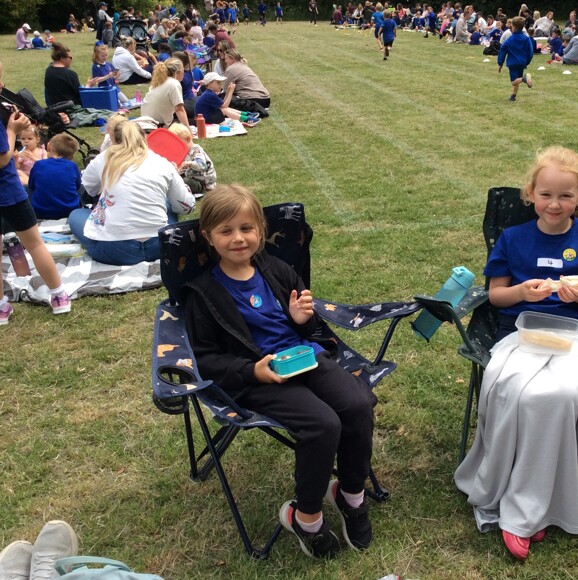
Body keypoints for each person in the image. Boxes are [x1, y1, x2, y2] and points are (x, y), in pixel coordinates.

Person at [453, 146, 578, 561]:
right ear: (531, 194)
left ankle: (542, 499)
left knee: (563, 394)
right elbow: (496, 296)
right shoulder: (513, 238)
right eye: (546, 195)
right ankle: (524, 497)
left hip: (571, 338)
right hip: (519, 336)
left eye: (565, 196)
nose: (555, 204)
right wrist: (522, 291)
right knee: (523, 393)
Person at [184, 184, 376, 559]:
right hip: (256, 377)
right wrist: (252, 371)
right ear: (208, 236)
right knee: (322, 424)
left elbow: (309, 325)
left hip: (304, 357)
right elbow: (203, 358)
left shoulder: (277, 270)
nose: (238, 239)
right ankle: (306, 518)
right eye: (226, 231)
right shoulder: (203, 294)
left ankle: (351, 494)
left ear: (260, 229)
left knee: (357, 405)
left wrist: (302, 320)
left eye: (246, 228)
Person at [0, 62, 71, 323]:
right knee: (35, 243)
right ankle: (58, 294)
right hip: (8, 192)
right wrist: (12, 131)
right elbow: (3, 158)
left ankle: (1, 307)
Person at [68, 122, 195, 265]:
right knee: (168, 202)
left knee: (76, 215)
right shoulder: (162, 163)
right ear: (145, 138)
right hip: (161, 246)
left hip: (115, 250)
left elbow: (90, 188)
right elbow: (186, 206)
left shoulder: (103, 159)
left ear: (113, 140)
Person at [29, 133, 82, 220]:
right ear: (71, 156)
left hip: (41, 211)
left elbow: (31, 185)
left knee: (26, 188)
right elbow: (78, 186)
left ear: (48, 147)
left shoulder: (39, 164)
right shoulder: (72, 166)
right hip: (69, 211)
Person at [167, 123, 217, 196]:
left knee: (184, 182)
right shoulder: (183, 152)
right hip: (190, 177)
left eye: (178, 144)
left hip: (203, 183)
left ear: (187, 139)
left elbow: (202, 166)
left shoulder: (196, 150)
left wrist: (190, 163)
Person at [195, 72, 261, 126]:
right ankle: (246, 119)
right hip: (205, 120)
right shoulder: (209, 95)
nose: (220, 85)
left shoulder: (209, 93)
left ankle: (246, 114)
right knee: (225, 110)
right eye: (218, 83)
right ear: (210, 84)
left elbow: (222, 104)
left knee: (224, 109)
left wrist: (228, 92)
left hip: (206, 117)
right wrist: (231, 92)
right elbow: (225, 106)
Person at [141, 59, 190, 129]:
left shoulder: (158, 82)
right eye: (183, 70)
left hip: (145, 121)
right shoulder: (174, 83)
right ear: (177, 72)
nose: (184, 72)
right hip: (157, 126)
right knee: (192, 119)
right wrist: (188, 130)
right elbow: (179, 109)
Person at [44, 42, 98, 107]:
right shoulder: (70, 74)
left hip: (54, 108)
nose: (71, 60)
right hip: (71, 109)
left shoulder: (49, 70)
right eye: (70, 58)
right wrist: (88, 85)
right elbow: (80, 96)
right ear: (62, 58)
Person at [497, 17, 533, 102]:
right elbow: (530, 52)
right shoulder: (526, 38)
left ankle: (524, 79)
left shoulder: (510, 39)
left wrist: (500, 63)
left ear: (514, 27)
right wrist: (527, 61)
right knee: (518, 79)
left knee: (514, 81)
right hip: (522, 63)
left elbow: (502, 50)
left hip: (513, 63)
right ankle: (513, 95)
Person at [91, 43, 133, 109]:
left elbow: (113, 77)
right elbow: (96, 80)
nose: (105, 57)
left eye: (106, 55)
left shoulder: (108, 64)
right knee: (116, 105)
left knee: (126, 102)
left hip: (115, 88)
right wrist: (107, 76)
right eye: (102, 56)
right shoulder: (95, 66)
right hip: (105, 90)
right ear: (97, 55)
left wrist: (116, 76)